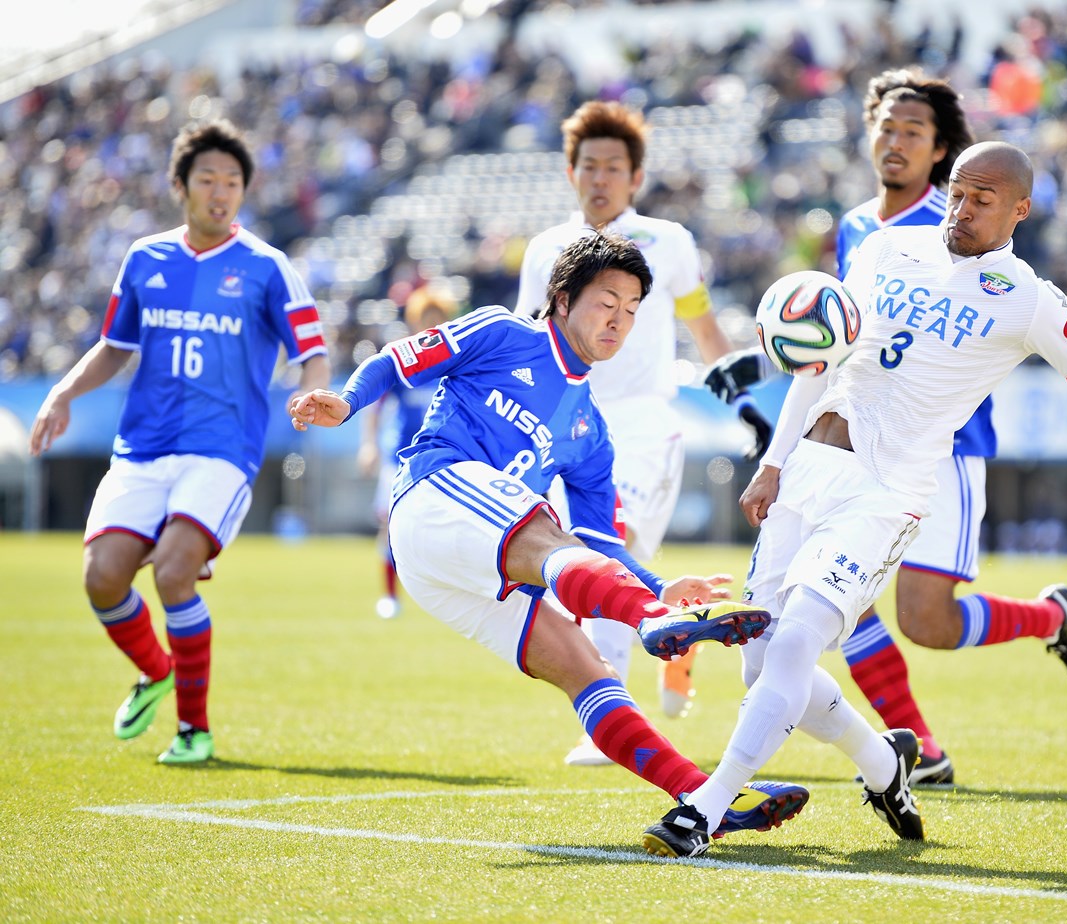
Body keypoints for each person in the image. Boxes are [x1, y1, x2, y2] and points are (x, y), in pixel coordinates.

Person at [642, 141, 1067, 858]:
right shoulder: (888, 249)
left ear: (1021, 208)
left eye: (983, 198)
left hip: (885, 495)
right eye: (957, 191)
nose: (963, 207)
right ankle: (884, 762)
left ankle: (703, 808)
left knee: (795, 642)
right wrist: (774, 460)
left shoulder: (1028, 301)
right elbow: (822, 358)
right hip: (811, 471)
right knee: (763, 662)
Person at [290, 231, 808, 838]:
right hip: (433, 497)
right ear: (562, 299)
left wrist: (661, 587)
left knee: (584, 664)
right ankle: (648, 623)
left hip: (464, 569)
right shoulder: (504, 333)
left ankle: (706, 797)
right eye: (607, 303)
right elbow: (397, 360)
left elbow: (602, 546)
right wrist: (348, 403)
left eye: (633, 312)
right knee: (542, 527)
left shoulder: (591, 432)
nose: (619, 322)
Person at [709, 69, 1067, 791]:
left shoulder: (953, 226)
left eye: (913, 132)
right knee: (831, 603)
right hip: (854, 450)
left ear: (941, 148)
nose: (895, 141)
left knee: (927, 620)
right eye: (885, 127)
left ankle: (1048, 619)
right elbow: (838, 340)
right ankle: (919, 748)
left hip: (941, 452)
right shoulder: (859, 225)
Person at [28, 119, 331, 764]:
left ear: (244, 191)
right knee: (102, 579)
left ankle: (194, 728)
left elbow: (313, 351)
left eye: (232, 182)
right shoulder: (145, 258)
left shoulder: (267, 268)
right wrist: (62, 394)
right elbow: (115, 348)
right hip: (142, 447)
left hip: (222, 452)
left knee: (172, 572)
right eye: (207, 180)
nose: (221, 193)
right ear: (181, 186)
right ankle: (157, 669)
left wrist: (313, 392)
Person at [515, 100, 770, 766]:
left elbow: (704, 327)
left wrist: (741, 404)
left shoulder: (669, 242)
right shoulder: (545, 251)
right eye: (589, 165)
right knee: (612, 572)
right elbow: (527, 345)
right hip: (569, 430)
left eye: (614, 167)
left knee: (607, 551)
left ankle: (610, 717)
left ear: (635, 177)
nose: (601, 178)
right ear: (571, 172)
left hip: (644, 423)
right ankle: (675, 645)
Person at [357, 285, 460, 619]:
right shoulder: (406, 361)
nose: (431, 325)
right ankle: (389, 596)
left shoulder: (454, 363)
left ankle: (449, 596)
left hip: (443, 460)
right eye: (426, 319)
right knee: (388, 523)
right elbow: (374, 407)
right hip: (399, 457)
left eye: (438, 318)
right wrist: (369, 444)